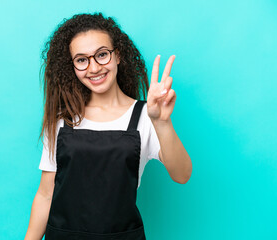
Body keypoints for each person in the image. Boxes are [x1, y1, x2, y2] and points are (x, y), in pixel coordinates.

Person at [24, 13, 192, 240]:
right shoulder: (63, 120)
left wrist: (162, 122)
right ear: (71, 66)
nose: (93, 68)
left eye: (102, 55)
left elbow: (182, 175)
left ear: (118, 55)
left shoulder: (146, 116)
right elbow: (45, 195)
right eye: (82, 60)